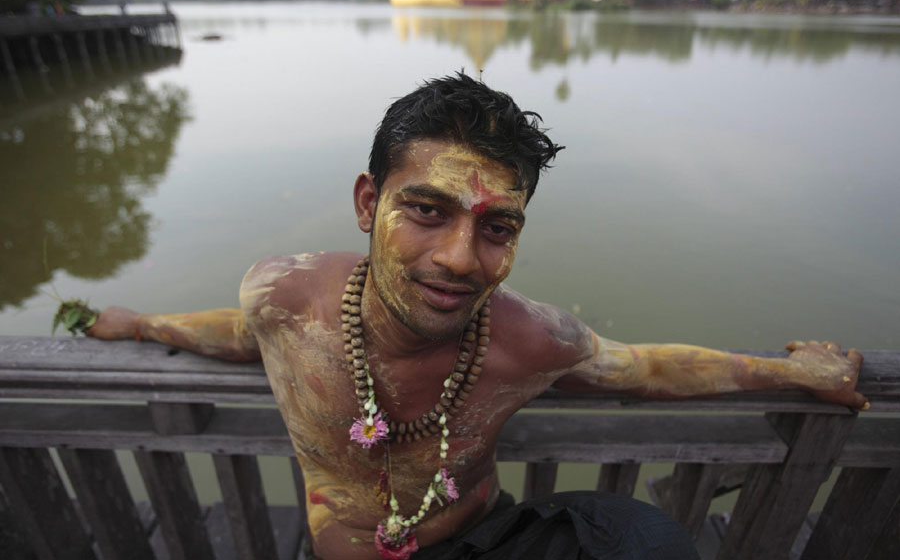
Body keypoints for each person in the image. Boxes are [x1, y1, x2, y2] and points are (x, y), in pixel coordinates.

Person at [88, 73, 867, 560]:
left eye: (497, 227)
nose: (462, 258)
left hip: (478, 542)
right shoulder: (285, 297)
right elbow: (235, 329)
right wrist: (140, 324)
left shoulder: (533, 339)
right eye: (426, 210)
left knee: (649, 540)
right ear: (369, 203)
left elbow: (646, 365)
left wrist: (789, 371)